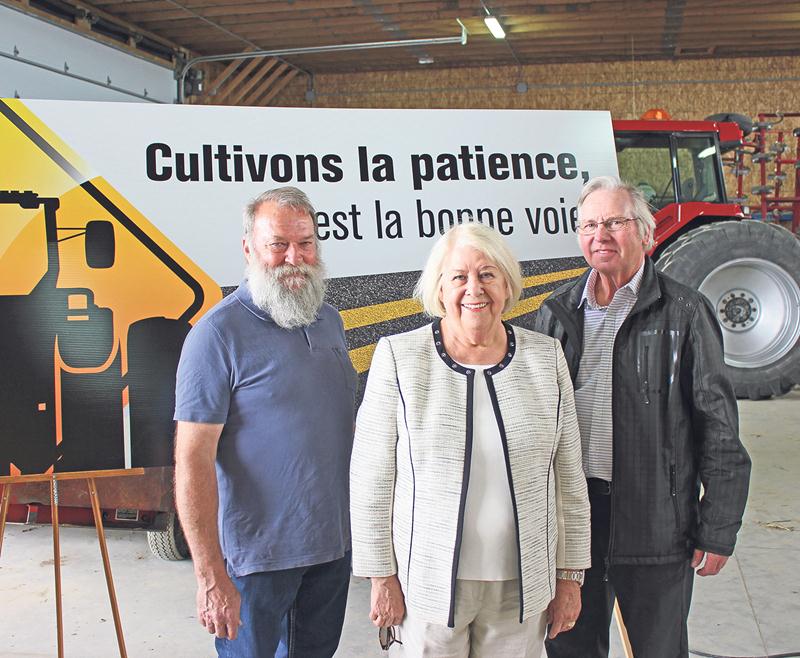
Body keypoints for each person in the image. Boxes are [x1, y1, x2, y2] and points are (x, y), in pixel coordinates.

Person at [350, 222, 590, 656]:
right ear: (440, 289)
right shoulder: (399, 358)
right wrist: (381, 577)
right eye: (458, 276)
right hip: (427, 585)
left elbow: (569, 479)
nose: (473, 289)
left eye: (487, 274)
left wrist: (570, 576)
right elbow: (372, 478)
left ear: (507, 283)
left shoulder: (545, 358)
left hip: (523, 586)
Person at [536, 176, 751, 658]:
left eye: (615, 221)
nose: (601, 235)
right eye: (589, 224)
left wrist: (718, 526)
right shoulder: (556, 313)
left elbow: (718, 428)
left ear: (645, 233)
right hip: (574, 520)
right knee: (568, 649)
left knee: (659, 649)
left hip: (658, 521)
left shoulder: (686, 313)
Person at [173, 187, 357, 658]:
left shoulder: (329, 321)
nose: (294, 257)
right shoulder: (216, 335)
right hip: (256, 564)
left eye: (306, 243)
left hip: (332, 552)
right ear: (248, 248)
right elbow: (192, 460)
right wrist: (210, 574)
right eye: (279, 244)